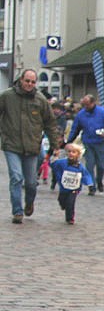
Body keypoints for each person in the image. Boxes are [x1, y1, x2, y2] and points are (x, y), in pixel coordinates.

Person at [2, 69, 60, 223]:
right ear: (21, 80)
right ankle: (17, 211)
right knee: (16, 177)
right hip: (11, 145)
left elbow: (50, 123)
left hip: (32, 146)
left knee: (31, 183)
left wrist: (55, 145)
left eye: (33, 82)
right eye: (27, 81)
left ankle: (29, 202)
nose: (29, 84)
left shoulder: (40, 100)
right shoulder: (7, 96)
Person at [68, 94, 104, 196]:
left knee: (101, 166)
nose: (85, 107)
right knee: (89, 166)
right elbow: (75, 128)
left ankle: (99, 181)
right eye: (84, 105)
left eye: (87, 105)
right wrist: (69, 141)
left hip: (100, 142)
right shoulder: (81, 114)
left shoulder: (103, 112)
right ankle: (92, 186)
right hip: (88, 142)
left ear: (93, 103)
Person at [50, 143, 94, 224]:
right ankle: (63, 205)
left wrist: (90, 185)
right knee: (62, 200)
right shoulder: (62, 162)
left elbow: (86, 175)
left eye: (73, 152)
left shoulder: (80, 167)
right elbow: (53, 164)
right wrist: (54, 156)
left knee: (70, 203)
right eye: (69, 151)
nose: (71, 153)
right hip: (64, 188)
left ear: (78, 154)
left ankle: (70, 218)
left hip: (74, 188)